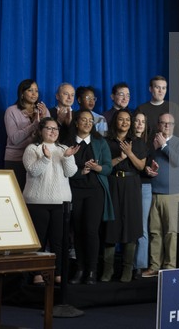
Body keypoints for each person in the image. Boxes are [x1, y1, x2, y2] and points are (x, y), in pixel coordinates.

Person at [22, 117, 78, 285]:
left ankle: (58, 273)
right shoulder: (32, 149)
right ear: (41, 130)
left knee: (59, 241)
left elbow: (71, 173)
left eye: (56, 129)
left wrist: (67, 158)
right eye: (49, 128)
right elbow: (33, 171)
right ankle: (37, 274)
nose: (53, 132)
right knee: (38, 241)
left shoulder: (64, 149)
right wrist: (45, 158)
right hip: (37, 201)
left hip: (61, 202)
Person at [66, 110, 113, 285]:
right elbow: (63, 169)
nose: (87, 123)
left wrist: (97, 168)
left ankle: (92, 271)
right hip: (74, 191)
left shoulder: (100, 142)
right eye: (83, 120)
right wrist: (80, 172)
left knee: (91, 231)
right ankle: (80, 269)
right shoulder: (67, 143)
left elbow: (108, 168)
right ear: (76, 123)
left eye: (90, 121)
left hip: (95, 192)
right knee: (77, 231)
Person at [102, 109, 147, 282]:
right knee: (111, 225)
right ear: (115, 122)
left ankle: (127, 270)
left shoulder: (137, 141)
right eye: (121, 119)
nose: (125, 122)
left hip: (131, 184)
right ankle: (108, 269)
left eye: (128, 120)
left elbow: (141, 166)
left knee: (131, 224)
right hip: (113, 183)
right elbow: (104, 167)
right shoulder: (106, 142)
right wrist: (120, 159)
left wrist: (129, 154)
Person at [142, 113, 179, 278]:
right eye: (163, 123)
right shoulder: (151, 143)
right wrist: (147, 168)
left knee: (171, 232)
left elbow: (178, 162)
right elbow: (147, 163)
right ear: (158, 125)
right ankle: (154, 266)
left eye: (170, 123)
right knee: (155, 232)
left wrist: (164, 146)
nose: (167, 126)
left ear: (174, 126)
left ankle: (169, 267)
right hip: (154, 192)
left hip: (173, 195)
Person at [4, 79, 50, 190]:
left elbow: (49, 136)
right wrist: (34, 125)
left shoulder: (43, 111)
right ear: (22, 93)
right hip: (16, 160)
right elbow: (15, 139)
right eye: (30, 90)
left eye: (36, 91)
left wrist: (45, 117)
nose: (34, 94)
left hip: (37, 159)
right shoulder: (11, 111)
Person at [132, 110, 155, 278]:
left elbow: (149, 167)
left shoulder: (149, 144)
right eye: (137, 121)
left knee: (142, 226)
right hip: (128, 185)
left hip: (145, 186)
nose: (140, 124)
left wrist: (149, 169)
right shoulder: (126, 141)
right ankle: (128, 263)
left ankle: (139, 265)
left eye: (143, 121)